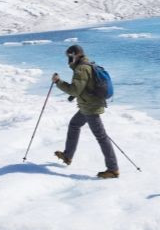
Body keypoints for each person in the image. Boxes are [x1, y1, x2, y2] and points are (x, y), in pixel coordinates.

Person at [51, 44, 119, 179]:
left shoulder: (81, 69)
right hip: (86, 105)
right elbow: (83, 86)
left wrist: (58, 82)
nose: (67, 59)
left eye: (69, 56)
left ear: (73, 55)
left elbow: (75, 90)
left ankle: (113, 169)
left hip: (90, 108)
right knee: (74, 125)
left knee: (101, 137)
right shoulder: (86, 65)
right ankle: (68, 155)